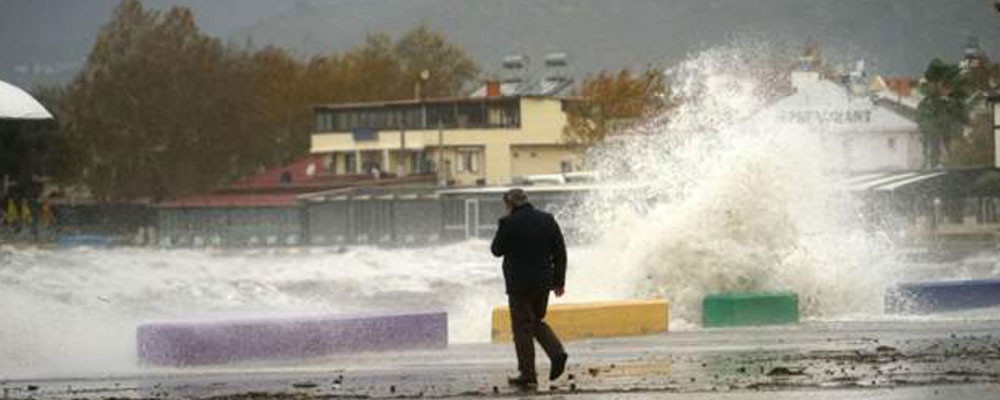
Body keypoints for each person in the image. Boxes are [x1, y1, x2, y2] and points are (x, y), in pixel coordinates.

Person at [490, 188, 568, 388]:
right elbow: (560, 252)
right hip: (543, 283)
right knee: (534, 321)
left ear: (511, 204)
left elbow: (496, 250)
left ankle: (528, 374)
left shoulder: (508, 223)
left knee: (522, 328)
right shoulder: (547, 219)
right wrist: (559, 282)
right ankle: (556, 353)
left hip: (519, 285)